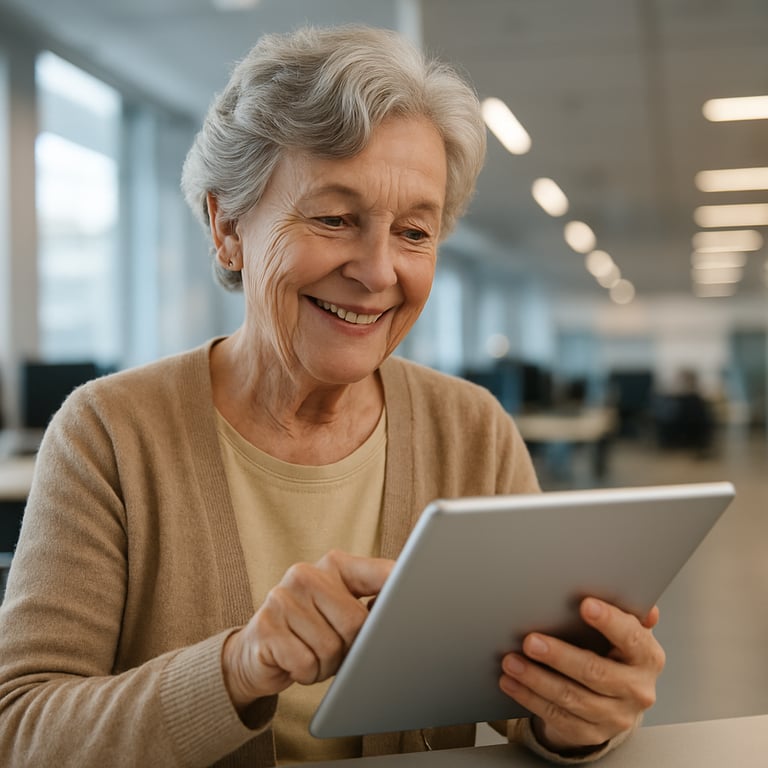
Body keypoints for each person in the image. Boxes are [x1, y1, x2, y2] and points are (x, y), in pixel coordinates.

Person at [0, 25, 664, 767]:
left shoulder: (471, 430)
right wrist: (237, 667)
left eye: (414, 231)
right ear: (227, 228)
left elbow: (527, 703)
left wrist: (581, 715)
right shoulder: (109, 435)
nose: (379, 272)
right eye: (334, 218)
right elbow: (22, 731)